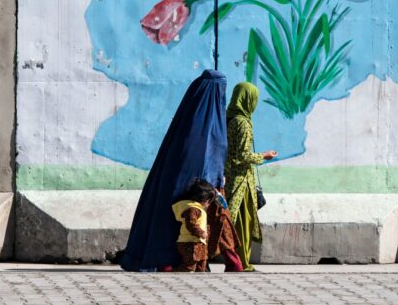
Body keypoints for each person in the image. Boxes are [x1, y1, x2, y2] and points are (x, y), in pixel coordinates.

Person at [119, 70, 242, 272]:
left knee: (198, 222)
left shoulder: (191, 119)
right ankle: (172, 261)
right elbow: (200, 154)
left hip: (196, 186)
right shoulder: (201, 124)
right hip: (196, 187)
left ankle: (202, 261)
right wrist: (214, 180)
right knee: (190, 221)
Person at [224, 82, 278, 272]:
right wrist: (264, 155)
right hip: (241, 180)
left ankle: (234, 261)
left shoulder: (228, 117)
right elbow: (243, 155)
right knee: (243, 223)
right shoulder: (243, 123)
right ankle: (241, 262)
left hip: (228, 176)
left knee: (231, 219)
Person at [172, 179, 216, 272]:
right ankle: (175, 276)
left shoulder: (199, 209)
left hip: (199, 243)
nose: (209, 205)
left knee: (201, 266)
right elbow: (191, 224)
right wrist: (201, 233)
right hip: (190, 243)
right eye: (209, 201)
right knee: (189, 266)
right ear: (205, 199)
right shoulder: (193, 209)